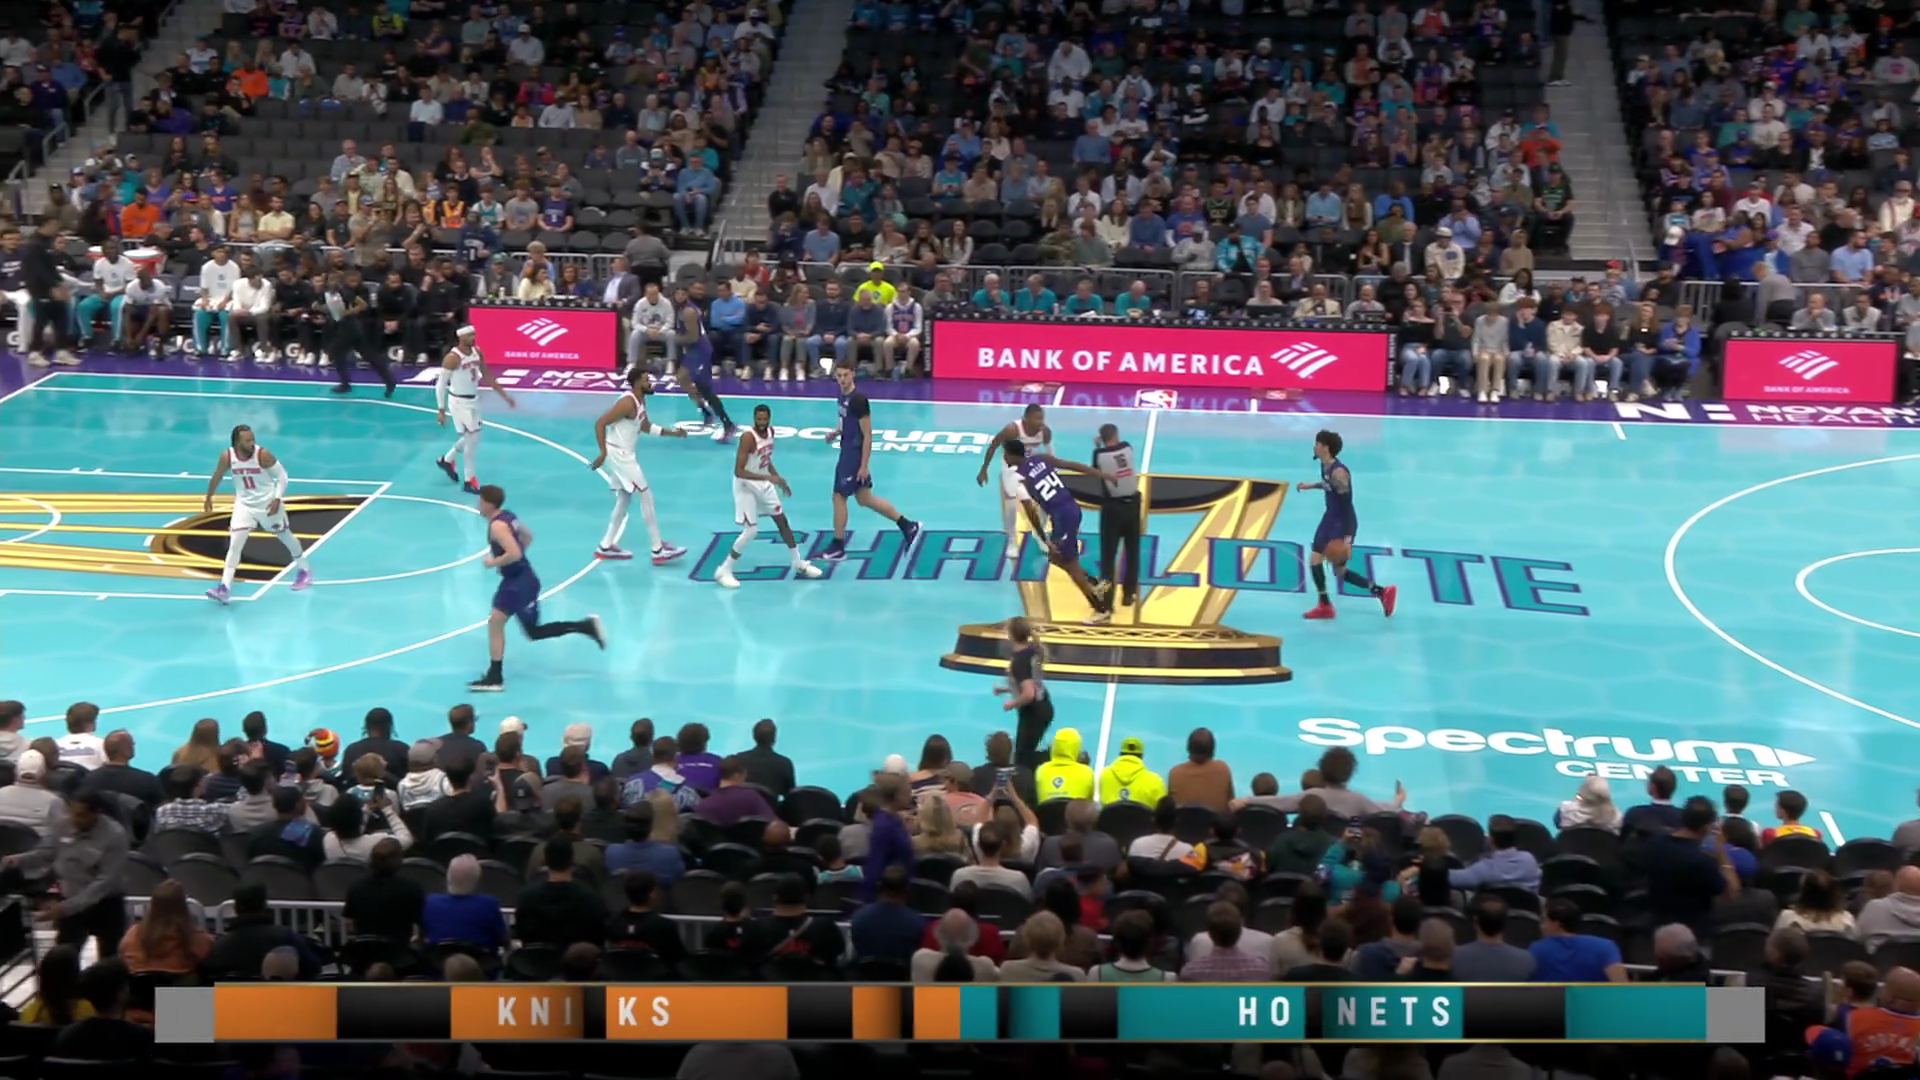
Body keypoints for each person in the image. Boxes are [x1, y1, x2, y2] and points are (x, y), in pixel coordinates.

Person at [468, 484, 606, 691]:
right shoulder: (509, 516)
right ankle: (585, 626)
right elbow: (528, 536)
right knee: (529, 631)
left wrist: (494, 562)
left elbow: (515, 553)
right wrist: (509, 562)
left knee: (498, 624)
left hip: (517, 584)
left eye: (480, 501)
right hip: (522, 578)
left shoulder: (497, 526)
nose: (478, 505)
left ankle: (495, 677)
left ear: (489, 504)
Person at [715, 404, 825, 589]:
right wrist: (769, 477)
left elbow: (765, 460)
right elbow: (739, 471)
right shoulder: (748, 438)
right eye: (758, 419)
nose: (762, 422)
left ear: (769, 419)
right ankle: (724, 570)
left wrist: (778, 479)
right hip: (745, 485)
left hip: (762, 482)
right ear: (754, 418)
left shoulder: (770, 433)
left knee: (782, 521)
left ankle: (798, 562)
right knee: (751, 531)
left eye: (764, 419)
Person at [201, 425, 313, 605]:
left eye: (253, 439)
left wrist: (277, 498)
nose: (252, 443)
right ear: (237, 443)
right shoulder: (227, 457)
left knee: (285, 536)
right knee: (235, 544)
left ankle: (304, 570)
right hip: (244, 505)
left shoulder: (263, 455)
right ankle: (224, 588)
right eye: (247, 440)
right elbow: (218, 475)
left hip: (267, 504)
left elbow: (282, 476)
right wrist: (209, 497)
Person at [820, 363, 922, 561]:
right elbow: (845, 420)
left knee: (839, 496)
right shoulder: (842, 395)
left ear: (853, 374)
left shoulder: (859, 400)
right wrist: (836, 431)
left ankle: (838, 546)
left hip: (853, 456)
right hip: (847, 451)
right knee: (864, 498)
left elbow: (867, 434)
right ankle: (908, 525)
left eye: (845, 375)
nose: (842, 379)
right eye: (839, 375)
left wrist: (864, 465)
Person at [1004, 440, 1113, 624]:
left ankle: (1101, 610)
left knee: (1071, 565)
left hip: (1063, 519)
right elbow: (1071, 465)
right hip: (1071, 508)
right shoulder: (1041, 458)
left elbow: (1031, 511)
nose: (1004, 458)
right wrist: (1100, 474)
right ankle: (1093, 582)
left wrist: (1044, 538)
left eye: (1006, 454)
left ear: (1013, 456)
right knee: (1054, 557)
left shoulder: (1019, 479)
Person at [589, 366, 689, 564]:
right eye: (646, 380)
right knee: (646, 496)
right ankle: (657, 549)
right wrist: (603, 453)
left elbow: (645, 426)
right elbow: (600, 423)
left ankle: (605, 546)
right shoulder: (627, 403)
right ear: (636, 383)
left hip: (625, 454)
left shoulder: (640, 400)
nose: (650, 383)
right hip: (619, 454)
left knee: (624, 499)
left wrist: (673, 433)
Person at [1297, 430, 1397, 620]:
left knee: (1320, 561)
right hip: (1330, 518)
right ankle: (1381, 592)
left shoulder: (1339, 473)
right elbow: (1327, 484)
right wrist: (1310, 486)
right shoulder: (1325, 464)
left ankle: (1326, 605)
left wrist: (1347, 539)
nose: (1314, 447)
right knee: (1336, 570)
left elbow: (1346, 506)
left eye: (1317, 444)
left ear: (1325, 448)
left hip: (1340, 523)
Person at [1052, 424, 1142, 608]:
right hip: (1133, 505)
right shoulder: (1127, 447)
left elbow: (1096, 471)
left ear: (1102, 438)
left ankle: (1107, 602)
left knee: (1108, 557)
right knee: (1132, 551)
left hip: (1113, 508)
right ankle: (1128, 595)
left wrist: (1098, 445)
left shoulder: (1099, 454)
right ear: (1116, 434)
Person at [434, 324, 517, 496]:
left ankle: (447, 460)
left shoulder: (477, 352)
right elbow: (440, 385)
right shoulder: (452, 358)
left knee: (471, 436)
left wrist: (505, 396)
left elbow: (487, 375)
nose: (473, 338)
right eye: (470, 335)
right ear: (460, 337)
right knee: (473, 439)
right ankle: (469, 480)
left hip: (473, 400)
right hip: (459, 402)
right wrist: (441, 410)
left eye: (474, 334)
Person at [977, 404, 1054, 560]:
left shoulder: (1045, 431)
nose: (1040, 422)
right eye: (1037, 419)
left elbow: (1050, 452)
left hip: (1031, 468)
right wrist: (984, 469)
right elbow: (994, 445)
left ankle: (1039, 533)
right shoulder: (1012, 430)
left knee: (1045, 501)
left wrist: (1052, 471)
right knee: (1011, 505)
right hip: (1011, 468)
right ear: (1026, 419)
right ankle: (1012, 540)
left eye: (1042, 418)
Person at [673, 284, 737, 443]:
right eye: (677, 294)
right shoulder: (681, 309)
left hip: (700, 352)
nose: (679, 297)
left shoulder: (688, 312)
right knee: (682, 378)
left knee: (705, 389)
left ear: (687, 295)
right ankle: (705, 410)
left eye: (682, 294)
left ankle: (728, 424)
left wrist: (673, 338)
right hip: (692, 352)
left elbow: (693, 337)